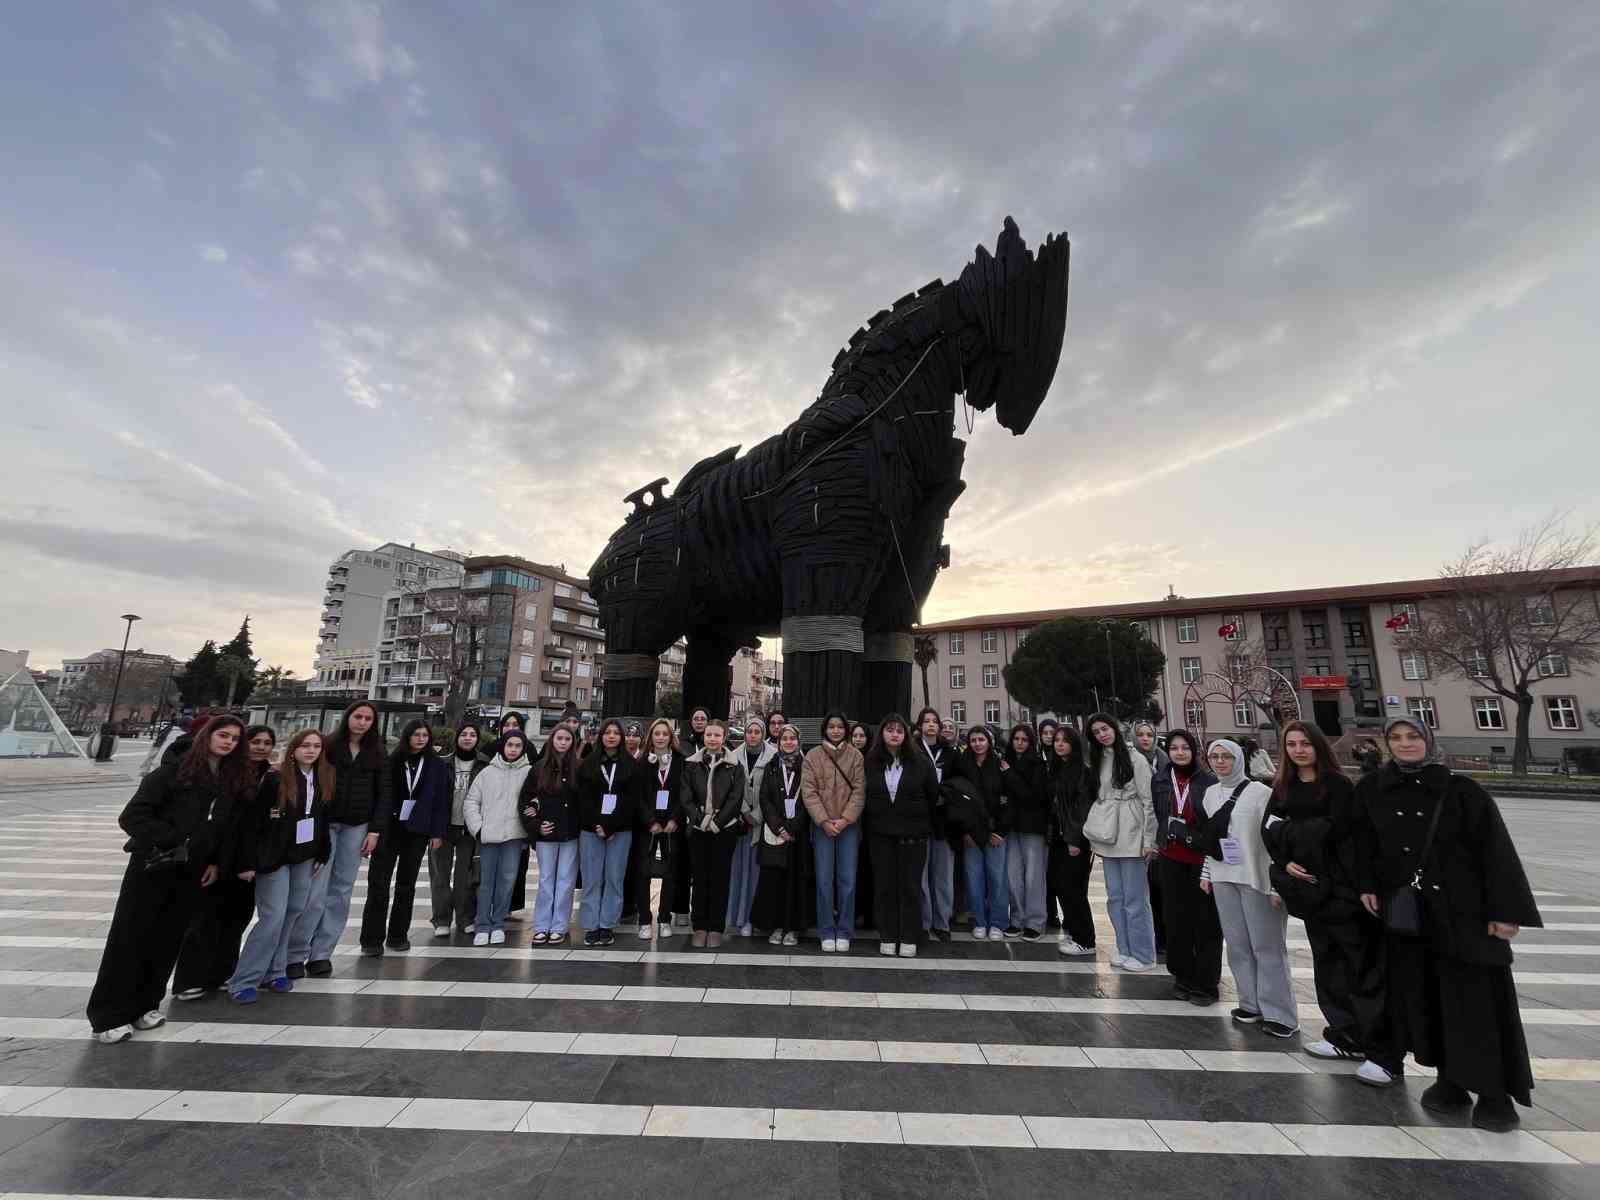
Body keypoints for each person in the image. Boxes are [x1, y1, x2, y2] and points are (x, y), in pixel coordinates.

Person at [1353, 716, 1541, 1131]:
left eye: (1413, 736)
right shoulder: (1373, 789)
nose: (1405, 744)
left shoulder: (1462, 791)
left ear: (1428, 740)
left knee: (1476, 1001)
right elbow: (1362, 842)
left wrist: (1505, 911)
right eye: (1396, 738)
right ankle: (1450, 1079)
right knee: (1426, 998)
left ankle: (1495, 1093)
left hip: (1464, 914)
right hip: (1411, 916)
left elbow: (1495, 850)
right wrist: (1367, 885)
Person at [87, 715, 252, 1043]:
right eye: (223, 735)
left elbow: (221, 828)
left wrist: (215, 862)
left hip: (191, 871)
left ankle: (145, 1005)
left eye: (234, 738)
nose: (228, 742)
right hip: (154, 867)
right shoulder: (170, 773)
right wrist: (174, 840)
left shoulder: (227, 781)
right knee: (131, 939)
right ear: (207, 736)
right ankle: (109, 1014)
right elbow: (132, 816)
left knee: (167, 939)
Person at [1261, 721, 1379, 1061]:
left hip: (1342, 887)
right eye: (1292, 744)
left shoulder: (1338, 786)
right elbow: (1268, 830)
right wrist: (1284, 861)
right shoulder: (1284, 786)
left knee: (1354, 964)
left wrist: (1291, 831)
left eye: (1305, 744)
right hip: (1308, 888)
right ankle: (1341, 1032)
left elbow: (1336, 832)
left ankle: (1368, 1039)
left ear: (1318, 747)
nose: (1298, 750)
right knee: (1326, 962)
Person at [226, 728, 333, 1001]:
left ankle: (275, 971)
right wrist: (247, 861)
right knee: (272, 916)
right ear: (294, 749)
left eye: (316, 746)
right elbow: (253, 823)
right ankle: (245, 978)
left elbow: (321, 818)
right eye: (305, 745)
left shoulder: (322, 778)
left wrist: (322, 851)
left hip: (304, 855)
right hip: (273, 857)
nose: (311, 751)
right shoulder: (275, 780)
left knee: (294, 911)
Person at [171, 723, 275, 999]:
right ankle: (189, 978)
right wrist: (216, 859)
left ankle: (221, 973)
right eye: (255, 741)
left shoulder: (271, 775)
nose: (261, 747)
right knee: (206, 917)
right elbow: (225, 822)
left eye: (267, 743)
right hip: (222, 856)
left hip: (250, 859)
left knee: (236, 919)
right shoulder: (231, 774)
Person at [1201, 738, 1297, 1037]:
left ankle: (1280, 1013)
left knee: (1266, 946)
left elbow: (1273, 841)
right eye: (1214, 756)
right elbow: (1211, 837)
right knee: (1238, 944)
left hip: (1256, 877)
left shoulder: (1261, 793)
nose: (1219, 762)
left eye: (1226, 757)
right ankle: (1250, 1003)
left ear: (1238, 759)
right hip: (1223, 875)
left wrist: (1277, 884)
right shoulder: (1209, 794)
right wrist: (1206, 872)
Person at [287, 700, 388, 979]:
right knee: (314, 891)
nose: (362, 722)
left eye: (368, 718)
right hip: (327, 824)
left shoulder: (377, 751)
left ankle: (321, 953)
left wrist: (375, 830)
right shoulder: (329, 745)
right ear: (348, 718)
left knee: (341, 891)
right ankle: (295, 953)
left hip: (357, 825)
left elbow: (384, 793)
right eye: (358, 716)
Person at [359, 719, 449, 956]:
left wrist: (437, 832)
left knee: (406, 885)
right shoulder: (392, 761)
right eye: (416, 734)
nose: (421, 739)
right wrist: (374, 828)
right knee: (378, 883)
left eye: (425, 735)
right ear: (407, 736)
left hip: (417, 831)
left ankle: (398, 935)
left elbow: (441, 801)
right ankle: (371, 939)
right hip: (389, 828)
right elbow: (379, 795)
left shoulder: (436, 765)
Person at [1081, 714, 1157, 971]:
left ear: (1114, 728)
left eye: (1105, 728)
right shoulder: (1099, 759)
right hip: (1108, 834)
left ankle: (1144, 954)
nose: (1102, 734)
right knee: (1115, 897)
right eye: (1096, 732)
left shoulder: (1136, 759)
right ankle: (1124, 948)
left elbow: (1149, 802)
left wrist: (1149, 840)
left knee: (1135, 899)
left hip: (1133, 833)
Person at [1151, 729, 1222, 1003]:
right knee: (1176, 920)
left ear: (1194, 751)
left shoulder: (1207, 781)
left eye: (1185, 748)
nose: (1179, 753)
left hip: (1201, 860)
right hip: (1171, 857)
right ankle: (1182, 976)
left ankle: (1206, 983)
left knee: (1205, 922)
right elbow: (1158, 813)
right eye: (1174, 748)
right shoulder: (1160, 779)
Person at [863, 714, 936, 958]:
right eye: (889, 730)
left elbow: (932, 795)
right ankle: (888, 934)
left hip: (912, 836)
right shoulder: (870, 762)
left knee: (910, 887)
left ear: (905, 735)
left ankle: (908, 936)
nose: (894, 734)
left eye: (899, 731)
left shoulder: (921, 763)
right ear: (882, 734)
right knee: (885, 887)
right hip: (881, 835)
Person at [801, 710, 865, 952]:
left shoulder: (856, 756)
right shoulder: (813, 756)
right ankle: (827, 929)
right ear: (824, 730)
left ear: (846, 730)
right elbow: (809, 792)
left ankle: (845, 930)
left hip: (848, 827)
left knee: (847, 880)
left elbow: (859, 791)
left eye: (840, 727)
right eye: (831, 726)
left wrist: (845, 820)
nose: (836, 730)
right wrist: (825, 821)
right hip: (822, 827)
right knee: (824, 881)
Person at [463, 727, 533, 944]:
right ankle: (483, 924)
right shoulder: (487, 772)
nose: (513, 749)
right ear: (503, 746)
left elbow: (536, 798)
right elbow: (471, 802)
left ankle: (498, 922)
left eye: (517, 746)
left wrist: (532, 813)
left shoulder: (529, 772)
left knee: (507, 881)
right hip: (489, 836)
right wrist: (478, 828)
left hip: (514, 836)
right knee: (486, 881)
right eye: (509, 745)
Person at [681, 719, 746, 947]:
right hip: (698, 829)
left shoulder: (734, 765)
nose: (712, 739)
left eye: (717, 735)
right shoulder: (691, 764)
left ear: (724, 737)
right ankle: (699, 926)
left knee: (720, 878)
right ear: (704, 736)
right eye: (709, 734)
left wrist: (717, 822)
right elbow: (686, 797)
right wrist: (699, 820)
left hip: (724, 829)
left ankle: (716, 927)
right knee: (699, 878)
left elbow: (735, 798)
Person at [578, 718, 638, 946]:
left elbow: (631, 800)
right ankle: (591, 925)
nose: (611, 736)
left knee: (614, 878)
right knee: (592, 879)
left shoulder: (630, 765)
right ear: (601, 736)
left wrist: (612, 825)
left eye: (616, 733)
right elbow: (584, 799)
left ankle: (607, 924)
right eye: (607, 732)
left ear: (621, 738)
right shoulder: (588, 764)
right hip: (591, 830)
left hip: (620, 831)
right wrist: (597, 825)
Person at [953, 726, 1014, 939]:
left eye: (981, 739)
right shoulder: (963, 765)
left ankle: (998, 922)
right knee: (974, 878)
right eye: (973, 740)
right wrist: (965, 831)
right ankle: (979, 920)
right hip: (971, 832)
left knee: (997, 878)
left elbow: (1009, 800)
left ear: (989, 741)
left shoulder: (1000, 765)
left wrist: (1001, 831)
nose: (977, 743)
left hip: (996, 831)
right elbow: (958, 801)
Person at [522, 725, 580, 945]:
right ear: (552, 740)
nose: (563, 742)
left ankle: (559, 925)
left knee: (566, 881)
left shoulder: (578, 768)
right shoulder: (538, 769)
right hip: (547, 834)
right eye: (559, 738)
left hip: (570, 834)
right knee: (546, 880)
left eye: (567, 739)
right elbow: (526, 801)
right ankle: (541, 925)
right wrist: (535, 825)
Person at [430, 721, 488, 937]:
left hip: (469, 829)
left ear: (477, 739)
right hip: (443, 828)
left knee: (465, 877)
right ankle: (441, 919)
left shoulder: (484, 764)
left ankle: (464, 918)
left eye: (472, 734)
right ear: (457, 738)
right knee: (440, 875)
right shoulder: (443, 763)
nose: (468, 738)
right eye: (464, 734)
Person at [754, 723, 809, 945]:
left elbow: (810, 798)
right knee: (774, 881)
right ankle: (775, 926)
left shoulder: (807, 766)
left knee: (796, 882)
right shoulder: (771, 766)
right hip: (776, 834)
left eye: (792, 738)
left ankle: (793, 928)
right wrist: (780, 827)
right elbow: (765, 799)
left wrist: (793, 827)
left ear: (798, 741)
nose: (788, 742)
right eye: (784, 738)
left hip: (798, 833)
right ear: (779, 742)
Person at [1047, 725, 1096, 957]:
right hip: (1058, 836)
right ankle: (1074, 931)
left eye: (1065, 741)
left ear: (1074, 744)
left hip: (1074, 838)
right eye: (1056, 740)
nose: (1059, 744)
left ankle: (1085, 940)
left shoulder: (1083, 771)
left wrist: (1074, 839)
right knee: (1061, 887)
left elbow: (1082, 808)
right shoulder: (1058, 768)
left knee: (1074, 889)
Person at [636, 718, 686, 939]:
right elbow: (637, 797)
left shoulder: (681, 761)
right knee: (643, 873)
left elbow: (684, 793)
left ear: (670, 736)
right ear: (651, 736)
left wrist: (675, 818)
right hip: (648, 825)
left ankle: (664, 918)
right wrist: (650, 821)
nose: (661, 737)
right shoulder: (642, 762)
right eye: (657, 733)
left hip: (671, 826)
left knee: (670, 872)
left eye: (665, 734)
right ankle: (644, 920)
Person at [914, 707, 958, 942]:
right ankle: (924, 922)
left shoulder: (950, 753)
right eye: (926, 721)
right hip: (920, 820)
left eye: (934, 722)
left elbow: (960, 782)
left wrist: (945, 794)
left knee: (942, 876)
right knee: (920, 877)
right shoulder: (912, 750)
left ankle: (942, 923)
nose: (931, 725)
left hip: (944, 822)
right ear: (920, 725)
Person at [727, 717, 773, 936]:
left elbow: (774, 790)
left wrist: (758, 815)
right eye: (749, 731)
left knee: (757, 873)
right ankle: (739, 917)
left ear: (763, 734)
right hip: (740, 823)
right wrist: (745, 811)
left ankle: (754, 919)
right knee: (738, 872)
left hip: (763, 823)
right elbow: (730, 787)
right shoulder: (734, 756)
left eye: (757, 731)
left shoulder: (773, 755)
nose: (753, 735)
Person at [1002, 722, 1048, 940]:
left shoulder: (1037, 763)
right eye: (1016, 739)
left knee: (1033, 877)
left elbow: (1033, 796)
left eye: (1024, 740)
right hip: (1011, 827)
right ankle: (1017, 919)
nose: (1019, 743)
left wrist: (1010, 774)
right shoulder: (1005, 761)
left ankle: (1035, 922)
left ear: (1030, 742)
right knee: (1013, 876)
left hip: (1032, 827)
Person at [670, 708, 712, 926]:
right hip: (684, 812)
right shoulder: (681, 746)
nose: (699, 722)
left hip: (708, 814)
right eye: (695, 718)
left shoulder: (715, 745)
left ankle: (702, 910)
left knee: (703, 866)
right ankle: (680, 909)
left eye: (703, 719)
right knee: (682, 864)